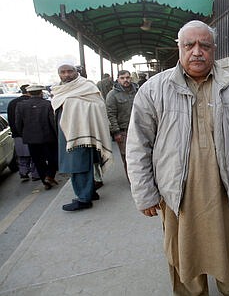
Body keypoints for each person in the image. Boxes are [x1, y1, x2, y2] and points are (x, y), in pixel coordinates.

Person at [126, 20, 229, 295]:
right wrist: (145, 193)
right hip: (177, 197)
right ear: (179, 48)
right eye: (189, 45)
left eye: (204, 45)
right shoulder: (154, 90)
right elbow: (138, 145)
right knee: (183, 257)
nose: (197, 51)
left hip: (226, 193)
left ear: (214, 50)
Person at [51, 64, 113, 211]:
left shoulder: (87, 87)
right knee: (81, 165)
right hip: (67, 134)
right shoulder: (61, 89)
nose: (66, 75)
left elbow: (99, 106)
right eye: (63, 72)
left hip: (82, 134)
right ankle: (89, 193)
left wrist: (79, 108)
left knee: (78, 165)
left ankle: (84, 199)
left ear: (76, 72)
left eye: (69, 71)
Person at [15, 85, 59, 190]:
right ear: (41, 93)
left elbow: (18, 123)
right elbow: (53, 122)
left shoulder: (20, 106)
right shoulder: (47, 104)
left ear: (29, 93)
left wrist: (23, 134)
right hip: (48, 137)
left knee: (38, 160)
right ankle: (49, 175)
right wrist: (57, 135)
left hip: (31, 138)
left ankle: (45, 181)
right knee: (53, 158)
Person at [105, 69, 138, 177]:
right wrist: (116, 132)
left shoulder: (138, 91)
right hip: (124, 131)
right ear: (118, 79)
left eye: (127, 78)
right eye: (122, 78)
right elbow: (111, 115)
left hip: (140, 129)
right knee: (128, 157)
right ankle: (132, 180)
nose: (125, 80)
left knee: (142, 155)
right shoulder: (112, 95)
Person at [7, 84, 40, 182]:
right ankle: (35, 174)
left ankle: (23, 172)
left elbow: (10, 120)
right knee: (35, 155)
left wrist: (15, 131)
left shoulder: (12, 103)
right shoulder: (32, 103)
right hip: (33, 133)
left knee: (22, 155)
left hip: (18, 134)